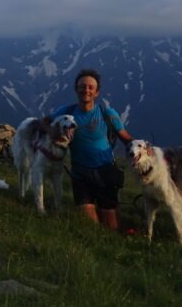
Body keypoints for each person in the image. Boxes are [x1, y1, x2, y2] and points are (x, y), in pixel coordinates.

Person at [50, 68, 134, 231]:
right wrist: (58, 133)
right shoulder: (65, 113)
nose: (86, 90)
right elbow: (46, 124)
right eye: (82, 86)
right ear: (76, 89)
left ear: (97, 93)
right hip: (80, 174)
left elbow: (127, 139)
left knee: (111, 227)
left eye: (90, 87)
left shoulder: (107, 113)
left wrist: (147, 151)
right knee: (89, 226)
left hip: (105, 172)